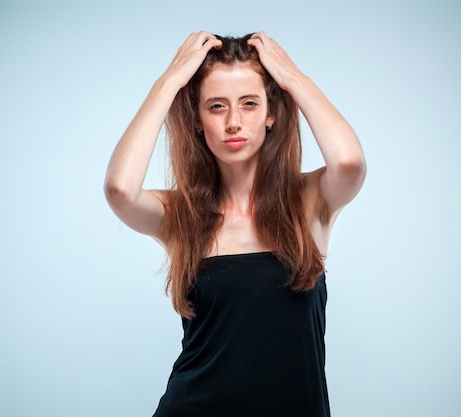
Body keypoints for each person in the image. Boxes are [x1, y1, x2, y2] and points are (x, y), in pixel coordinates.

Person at [104, 31, 365, 417]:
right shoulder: (182, 214)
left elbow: (349, 163)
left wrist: (291, 77)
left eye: (249, 103)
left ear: (271, 111)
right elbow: (120, 189)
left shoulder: (310, 200)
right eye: (216, 106)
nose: (233, 122)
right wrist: (170, 81)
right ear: (196, 118)